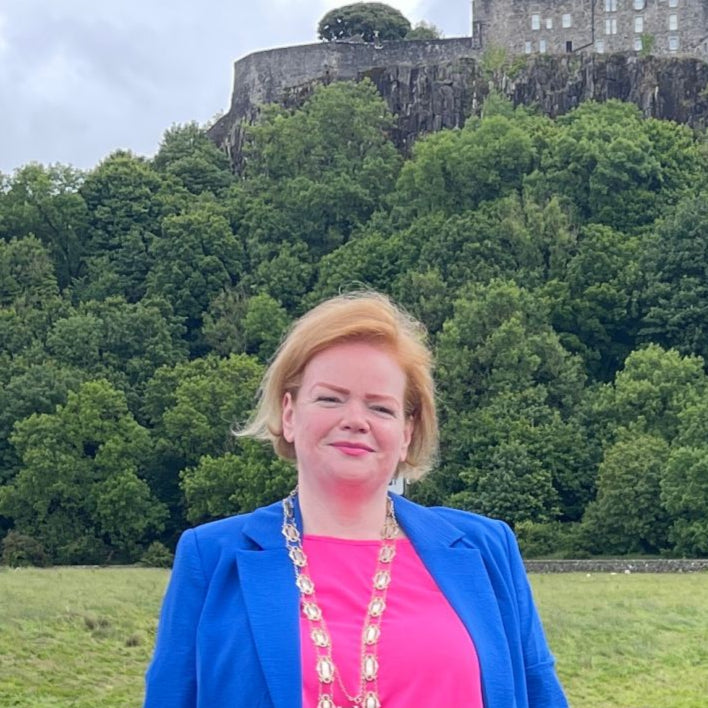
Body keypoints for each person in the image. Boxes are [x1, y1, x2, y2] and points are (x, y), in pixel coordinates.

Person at [144, 291, 568, 708]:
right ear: (289, 414)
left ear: (406, 432)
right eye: (330, 398)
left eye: (381, 408)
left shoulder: (487, 549)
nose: (355, 421)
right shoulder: (211, 557)